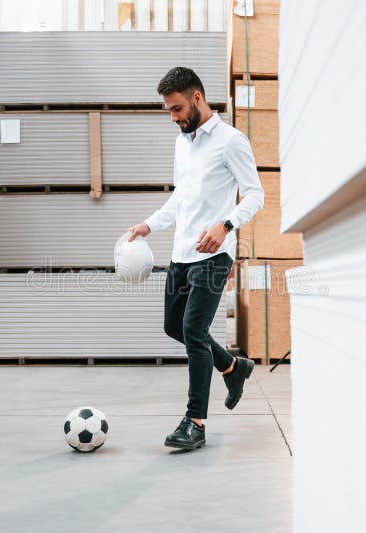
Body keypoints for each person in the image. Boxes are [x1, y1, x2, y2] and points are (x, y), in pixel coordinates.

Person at [127, 66, 264, 450]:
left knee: (192, 332)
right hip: (181, 253)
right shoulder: (182, 143)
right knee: (176, 326)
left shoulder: (231, 141)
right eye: (169, 110)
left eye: (176, 109)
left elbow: (255, 194)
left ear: (197, 98)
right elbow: (180, 197)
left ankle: (196, 423)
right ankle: (233, 367)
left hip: (215, 255)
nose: (173, 117)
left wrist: (226, 224)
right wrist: (148, 226)